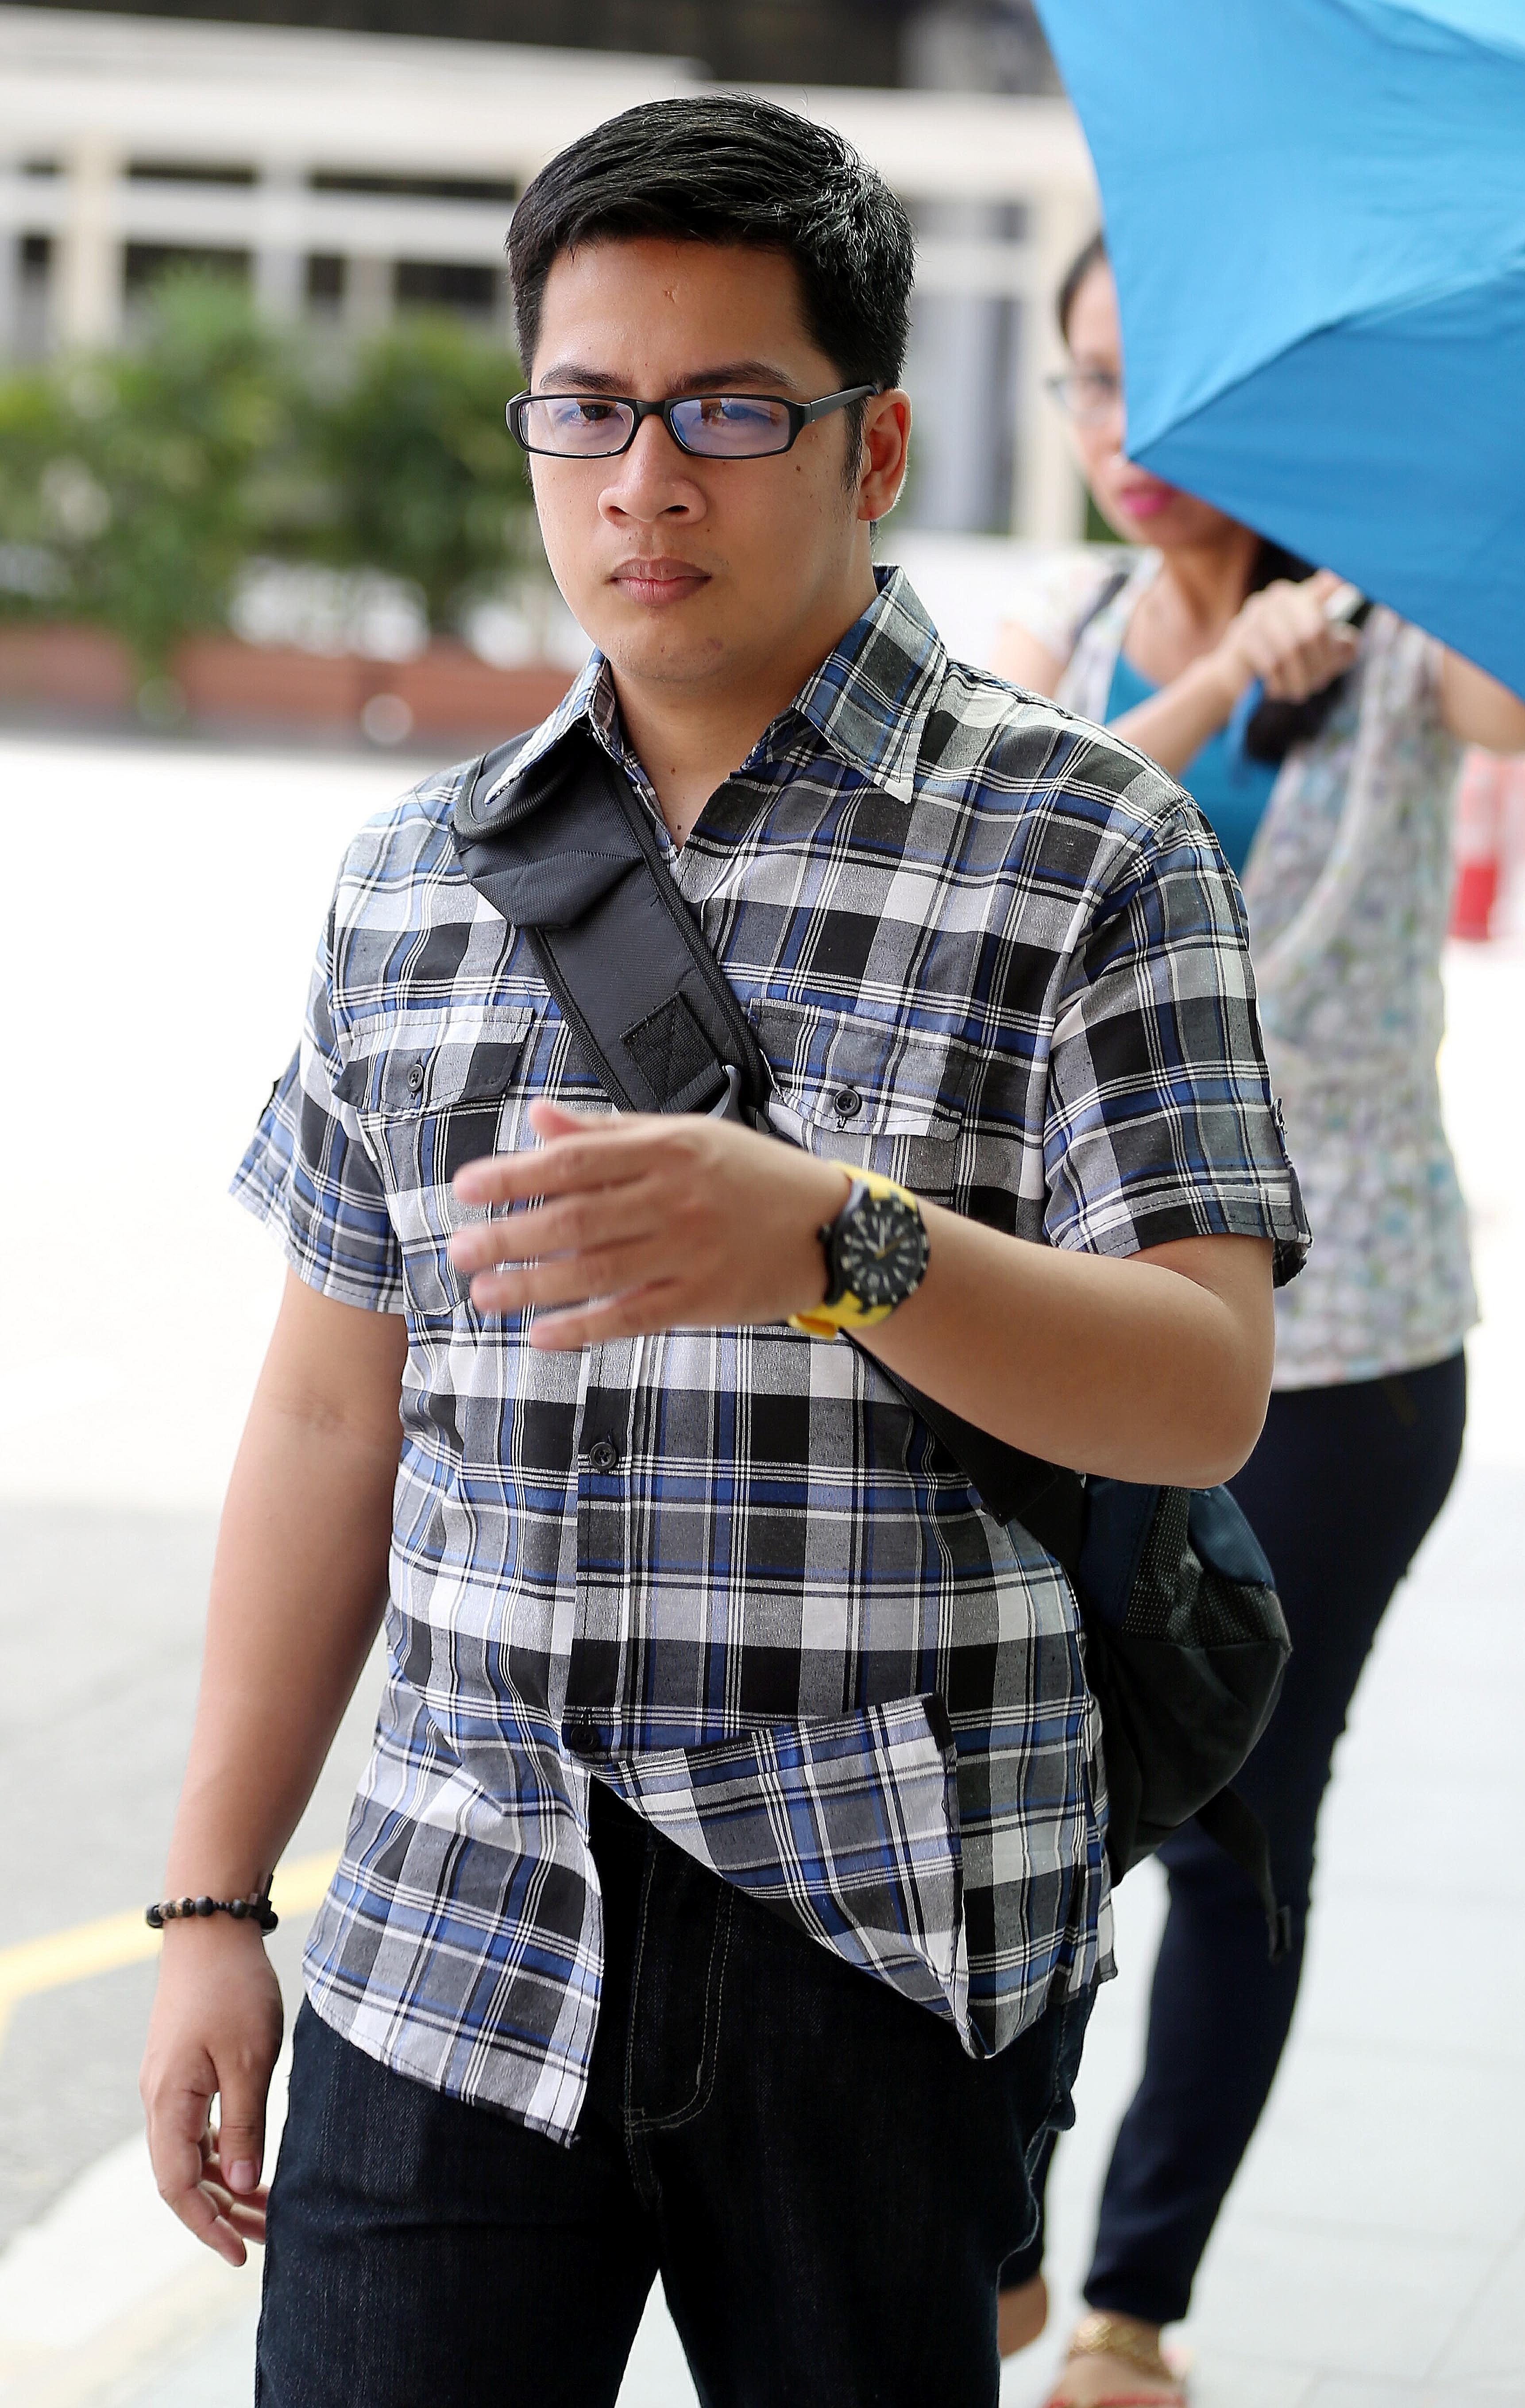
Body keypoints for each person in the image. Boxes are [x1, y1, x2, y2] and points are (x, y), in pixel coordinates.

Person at [139, 110, 1309, 2408]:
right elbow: (322, 1409)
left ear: (870, 444)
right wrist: (209, 1903)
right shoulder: (419, 873)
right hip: (454, 1921)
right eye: (585, 407)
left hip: (876, 1926)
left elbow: (1200, 1387)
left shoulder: (1089, 848)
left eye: (726, 412)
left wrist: (840, 1245)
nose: (641, 482)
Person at [992, 233, 1525, 2391]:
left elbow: (1512, 700)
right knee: (1026, 1795)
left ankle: (1132, 2311)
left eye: (1170, 387)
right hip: (1079, 1330)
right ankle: (999, 2225)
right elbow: (1030, 836)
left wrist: (1419, 520)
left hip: (1351, 1349)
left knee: (1236, 1829)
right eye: (1090, 386)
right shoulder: (1070, 640)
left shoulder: (1404, 652)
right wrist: (1222, 682)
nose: (1125, 437)